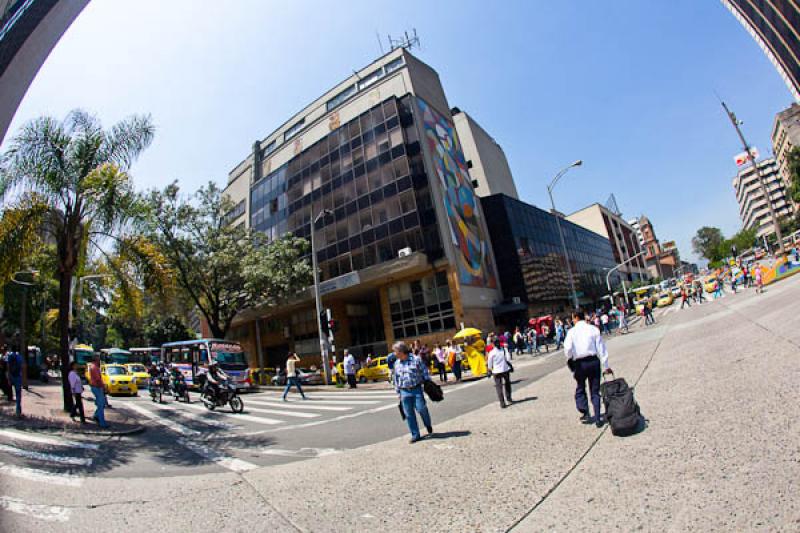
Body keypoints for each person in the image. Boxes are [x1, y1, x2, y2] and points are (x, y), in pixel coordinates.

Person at [563, 309, 611, 427]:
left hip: (580, 363)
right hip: (593, 361)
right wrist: (606, 366)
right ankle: (598, 415)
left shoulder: (571, 332)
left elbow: (567, 349)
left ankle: (585, 412)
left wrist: (570, 359)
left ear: (575, 318)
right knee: (595, 390)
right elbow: (601, 348)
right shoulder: (593, 329)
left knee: (580, 387)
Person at [392, 341, 433, 443]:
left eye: (395, 351)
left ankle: (427, 424)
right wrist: (398, 393)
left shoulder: (416, 359)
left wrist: (428, 384)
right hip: (404, 391)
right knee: (409, 414)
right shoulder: (396, 363)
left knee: (421, 408)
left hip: (416, 389)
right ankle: (415, 435)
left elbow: (424, 372)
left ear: (401, 351)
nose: (394, 353)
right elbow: (395, 379)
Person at [486, 343, 513, 409]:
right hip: (505, 369)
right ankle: (509, 398)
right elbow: (508, 358)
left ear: (493, 344)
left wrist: (489, 370)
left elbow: (489, 362)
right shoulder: (503, 350)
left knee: (499, 387)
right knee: (507, 384)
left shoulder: (491, 352)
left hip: (496, 371)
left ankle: (502, 403)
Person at [88, 355, 108, 428]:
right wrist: (103, 387)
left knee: (101, 403)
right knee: (101, 405)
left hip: (95, 387)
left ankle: (96, 416)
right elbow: (98, 379)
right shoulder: (95, 368)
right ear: (96, 360)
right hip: (97, 387)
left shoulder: (93, 366)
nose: (99, 361)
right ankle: (102, 422)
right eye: (99, 359)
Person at [6, 345, 23, 417]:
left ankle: (17, 410)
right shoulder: (20, 357)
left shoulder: (9, 356)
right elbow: (21, 367)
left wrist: (9, 378)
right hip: (18, 377)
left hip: (12, 376)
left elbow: (8, 367)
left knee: (11, 392)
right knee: (18, 394)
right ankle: (18, 411)